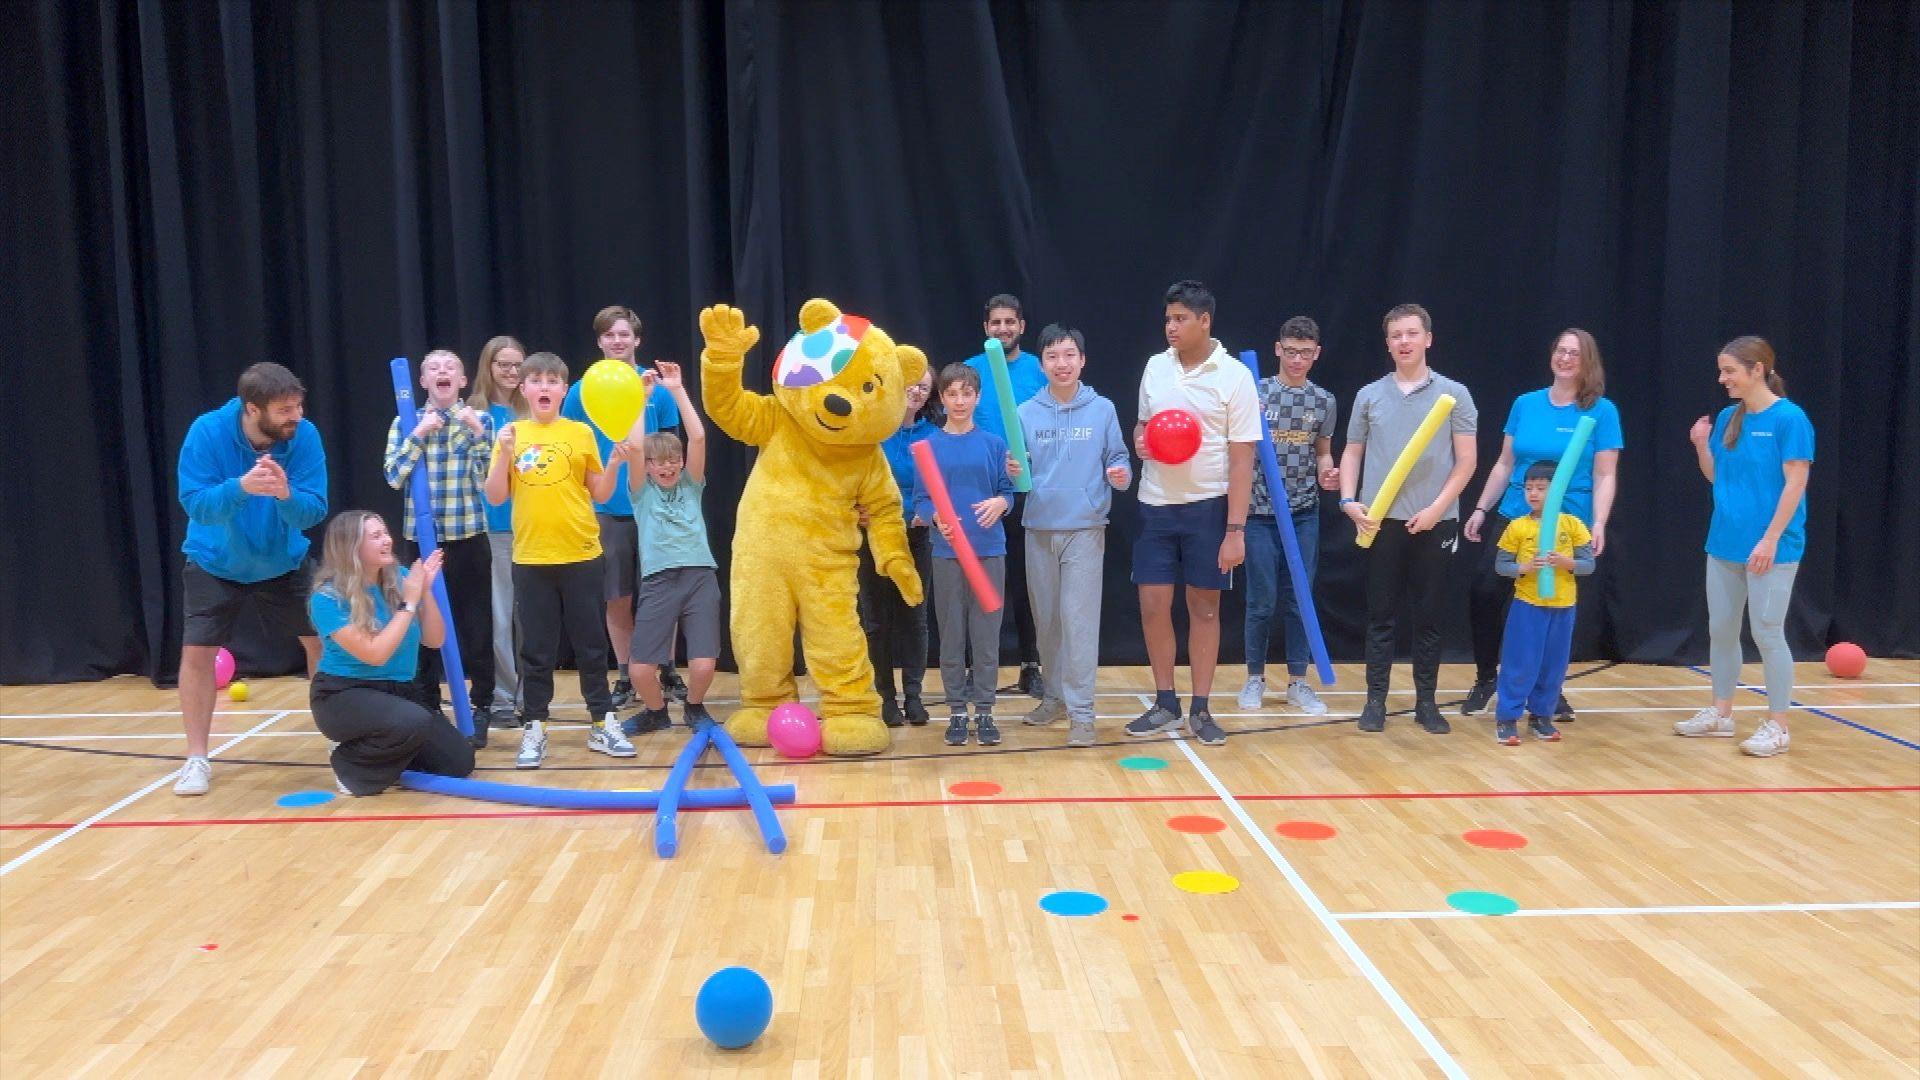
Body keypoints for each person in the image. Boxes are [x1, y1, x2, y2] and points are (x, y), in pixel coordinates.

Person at [173, 362, 327, 796]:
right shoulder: (207, 432)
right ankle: (197, 759)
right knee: (198, 652)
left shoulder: (304, 436)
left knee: (322, 644)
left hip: (283, 562)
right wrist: (241, 486)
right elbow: (196, 505)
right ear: (252, 409)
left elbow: (314, 510)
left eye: (298, 406)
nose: (295, 416)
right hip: (214, 561)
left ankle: (340, 743)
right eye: (284, 409)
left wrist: (285, 494)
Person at [1125, 281, 1261, 746]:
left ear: (1205, 321)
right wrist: (1140, 438)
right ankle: (1166, 702)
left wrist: (1235, 529)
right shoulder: (1154, 368)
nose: (1171, 326)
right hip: (1156, 504)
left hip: (1209, 507)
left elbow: (1243, 458)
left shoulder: (1236, 377)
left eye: (1181, 318)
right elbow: (1144, 426)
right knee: (1152, 604)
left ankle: (1201, 709)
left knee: (1204, 607)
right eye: (1168, 318)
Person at [1462, 329, 1622, 720]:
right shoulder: (1526, 404)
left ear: (1588, 362)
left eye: (1575, 353)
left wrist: (1599, 522)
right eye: (1561, 351)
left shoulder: (1601, 411)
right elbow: (1504, 463)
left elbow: (1605, 474)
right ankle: (1487, 677)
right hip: (1517, 513)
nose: (1566, 358)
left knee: (1553, 603)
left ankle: (1547, 692)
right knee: (1486, 590)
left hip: (1567, 521)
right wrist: (1482, 508)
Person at [486, 351, 633, 768]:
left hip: (582, 554)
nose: (545, 387)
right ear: (524, 388)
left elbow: (600, 493)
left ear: (564, 390)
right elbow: (496, 495)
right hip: (531, 559)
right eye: (537, 380)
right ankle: (535, 727)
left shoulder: (580, 434)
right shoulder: (510, 433)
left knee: (590, 645)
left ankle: (602, 721)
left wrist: (617, 463)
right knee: (536, 649)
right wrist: (502, 453)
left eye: (553, 381)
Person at [1339, 303, 1478, 735]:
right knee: (1380, 615)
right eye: (1396, 335)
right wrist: (1348, 500)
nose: (1404, 342)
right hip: (1380, 523)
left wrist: (1437, 508)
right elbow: (1352, 452)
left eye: (1412, 334)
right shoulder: (1369, 395)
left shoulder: (1454, 393)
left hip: (1435, 521)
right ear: (1388, 343)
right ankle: (1375, 701)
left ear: (1428, 339)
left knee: (1429, 617)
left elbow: (1467, 461)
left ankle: (1426, 703)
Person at [1676, 336, 1812, 757]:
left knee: (1768, 633)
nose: (1723, 379)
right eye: (1721, 371)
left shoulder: (1790, 420)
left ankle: (1778, 725)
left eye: (1730, 371)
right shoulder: (1729, 418)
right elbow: (1719, 477)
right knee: (1721, 629)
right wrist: (1701, 445)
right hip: (1724, 543)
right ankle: (1721, 713)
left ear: (1757, 370)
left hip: (1773, 546)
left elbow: (1796, 482)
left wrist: (1770, 539)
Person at [560, 305, 686, 708]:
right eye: (610, 335)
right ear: (599, 341)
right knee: (618, 597)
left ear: (637, 340)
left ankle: (665, 669)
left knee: (661, 593)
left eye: (625, 335)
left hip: (654, 507)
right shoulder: (581, 391)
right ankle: (628, 674)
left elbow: (673, 448)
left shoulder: (658, 388)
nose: (618, 341)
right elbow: (569, 445)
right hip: (606, 507)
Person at [1015, 324, 1131, 747]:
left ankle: (1083, 713)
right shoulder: (1025, 412)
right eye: (1052, 356)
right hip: (1039, 528)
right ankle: (1054, 697)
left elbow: (1118, 459)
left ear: (1082, 360)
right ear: (1041, 362)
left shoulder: (1102, 410)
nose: (1061, 364)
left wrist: (1120, 474)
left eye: (1069, 355)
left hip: (1084, 529)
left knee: (1079, 623)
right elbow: (1018, 469)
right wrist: (1014, 470)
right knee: (1047, 622)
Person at [308, 513, 475, 794]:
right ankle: (350, 763)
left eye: (385, 533)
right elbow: (375, 655)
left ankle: (383, 750)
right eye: (375, 536)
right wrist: (409, 602)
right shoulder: (327, 598)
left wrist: (426, 592)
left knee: (458, 761)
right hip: (344, 694)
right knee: (411, 722)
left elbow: (435, 640)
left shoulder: (401, 579)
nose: (387, 540)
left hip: (399, 692)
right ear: (352, 547)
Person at [382, 349, 496, 748]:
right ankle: (427, 706)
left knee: (476, 626)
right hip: (422, 542)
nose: (442, 372)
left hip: (468, 538)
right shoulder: (406, 422)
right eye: (433, 369)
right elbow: (394, 476)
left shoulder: (479, 421)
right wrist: (419, 434)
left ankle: (482, 707)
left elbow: (489, 481)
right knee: (421, 624)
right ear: (423, 382)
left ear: (463, 381)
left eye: (451, 368)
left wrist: (478, 434)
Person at [1238, 316, 1339, 717]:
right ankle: (1254, 678)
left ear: (1316, 355)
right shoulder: (1256, 392)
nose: (1298, 360)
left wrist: (1328, 473)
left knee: (1301, 599)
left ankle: (1299, 681)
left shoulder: (1323, 400)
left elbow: (1322, 452)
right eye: (1291, 351)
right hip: (1260, 511)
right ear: (1278, 349)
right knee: (1261, 599)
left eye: (1306, 353)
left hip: (1303, 512)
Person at [915, 362, 1016, 746]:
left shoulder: (993, 444)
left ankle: (985, 711)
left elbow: (1008, 491)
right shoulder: (929, 446)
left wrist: (1000, 504)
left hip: (989, 551)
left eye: (966, 394)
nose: (959, 401)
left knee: (986, 637)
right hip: (947, 555)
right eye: (952, 394)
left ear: (977, 397)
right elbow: (921, 502)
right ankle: (958, 711)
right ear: (942, 398)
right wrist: (935, 515)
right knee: (953, 635)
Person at [621, 362, 724, 735]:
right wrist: (641, 398)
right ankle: (656, 712)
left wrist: (677, 390)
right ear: (647, 467)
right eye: (658, 462)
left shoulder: (691, 485)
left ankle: (694, 707)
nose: (667, 467)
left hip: (699, 575)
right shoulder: (642, 493)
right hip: (660, 580)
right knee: (640, 671)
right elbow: (633, 446)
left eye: (672, 461)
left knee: (703, 665)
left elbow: (697, 438)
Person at [963, 294, 1046, 697]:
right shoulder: (972, 373)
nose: (1002, 329)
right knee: (980, 583)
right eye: (995, 323)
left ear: (1021, 326)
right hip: (981, 495)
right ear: (985, 329)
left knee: (1026, 583)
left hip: (1030, 493)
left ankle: (1033, 665)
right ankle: (978, 670)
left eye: (1009, 322)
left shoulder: (1038, 369)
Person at [1491, 462, 1595, 744]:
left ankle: (1541, 717)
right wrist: (1524, 568)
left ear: (1557, 490)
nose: (1533, 494)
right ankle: (1507, 718)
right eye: (1528, 488)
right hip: (1528, 604)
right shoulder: (1518, 526)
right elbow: (1502, 565)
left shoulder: (1573, 525)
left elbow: (1589, 565)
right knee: (1520, 662)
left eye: (1540, 488)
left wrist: (1566, 562)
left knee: (1553, 665)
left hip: (1563, 606)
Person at [859, 366, 937, 728]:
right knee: (877, 621)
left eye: (924, 386)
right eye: (911, 384)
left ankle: (915, 697)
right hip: (874, 539)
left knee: (915, 619)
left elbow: (939, 489)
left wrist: (929, 512)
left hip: (916, 539)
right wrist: (854, 510)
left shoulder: (934, 436)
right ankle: (886, 699)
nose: (916, 391)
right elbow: (853, 481)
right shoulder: (873, 434)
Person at [469, 335, 527, 729]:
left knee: (531, 619)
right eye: (502, 364)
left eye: (516, 364)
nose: (510, 371)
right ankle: (505, 698)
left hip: (535, 527)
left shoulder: (533, 408)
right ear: (488, 367)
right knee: (500, 616)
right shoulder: (474, 411)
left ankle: (530, 695)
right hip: (493, 529)